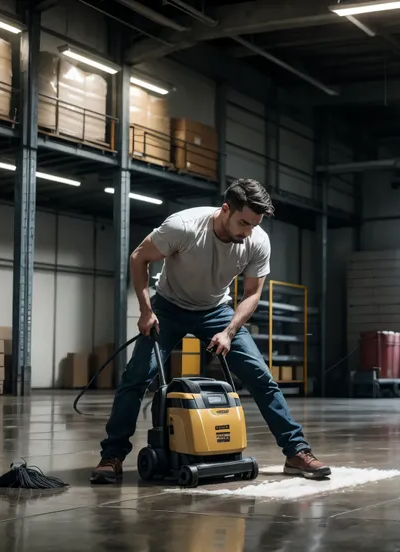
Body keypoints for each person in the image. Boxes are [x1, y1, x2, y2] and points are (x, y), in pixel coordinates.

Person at [91, 178, 331, 484]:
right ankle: (112, 455)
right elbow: (139, 257)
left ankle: (296, 452)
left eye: (253, 226)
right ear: (226, 209)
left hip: (217, 312)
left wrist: (230, 331)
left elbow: (253, 293)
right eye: (243, 223)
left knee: (260, 377)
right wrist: (146, 310)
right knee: (137, 375)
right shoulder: (184, 227)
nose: (247, 233)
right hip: (169, 307)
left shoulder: (256, 240)